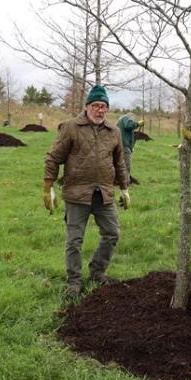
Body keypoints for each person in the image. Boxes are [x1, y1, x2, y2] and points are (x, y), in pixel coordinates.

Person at [43, 84, 131, 298]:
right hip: (76, 193)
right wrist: (48, 188)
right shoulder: (71, 127)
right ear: (87, 106)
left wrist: (125, 188)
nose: (100, 110)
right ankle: (73, 282)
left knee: (112, 233)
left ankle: (96, 273)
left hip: (104, 193)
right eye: (96, 106)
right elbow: (53, 157)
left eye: (104, 106)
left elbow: (119, 162)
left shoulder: (114, 132)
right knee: (74, 240)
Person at [116, 113, 144, 183]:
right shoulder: (126, 118)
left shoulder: (120, 121)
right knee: (126, 164)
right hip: (124, 145)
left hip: (120, 144)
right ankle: (125, 181)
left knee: (121, 164)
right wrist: (138, 123)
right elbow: (128, 125)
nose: (132, 121)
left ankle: (120, 179)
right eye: (132, 120)